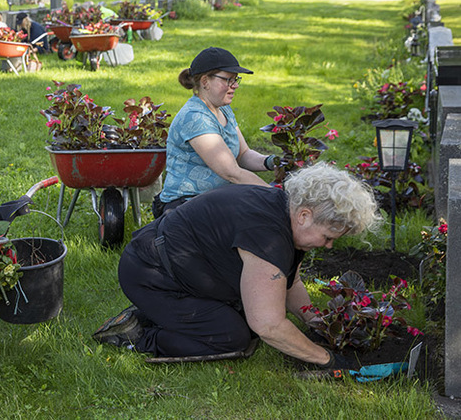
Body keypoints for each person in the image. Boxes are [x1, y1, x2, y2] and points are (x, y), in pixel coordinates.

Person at [93, 163, 380, 370]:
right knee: (231, 337)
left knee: (247, 322)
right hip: (150, 274)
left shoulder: (285, 214)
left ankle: (156, 316)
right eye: (328, 237)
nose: (328, 245)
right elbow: (267, 324)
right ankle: (138, 335)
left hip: (177, 268)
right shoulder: (268, 235)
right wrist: (325, 359)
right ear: (305, 215)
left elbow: (289, 283)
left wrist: (315, 322)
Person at [153, 46, 278, 219]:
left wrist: (273, 162)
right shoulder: (195, 117)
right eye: (228, 80)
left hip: (215, 199)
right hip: (185, 207)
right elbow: (232, 172)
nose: (234, 86)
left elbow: (243, 154)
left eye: (236, 80)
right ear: (205, 81)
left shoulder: (223, 110)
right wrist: (277, 197)